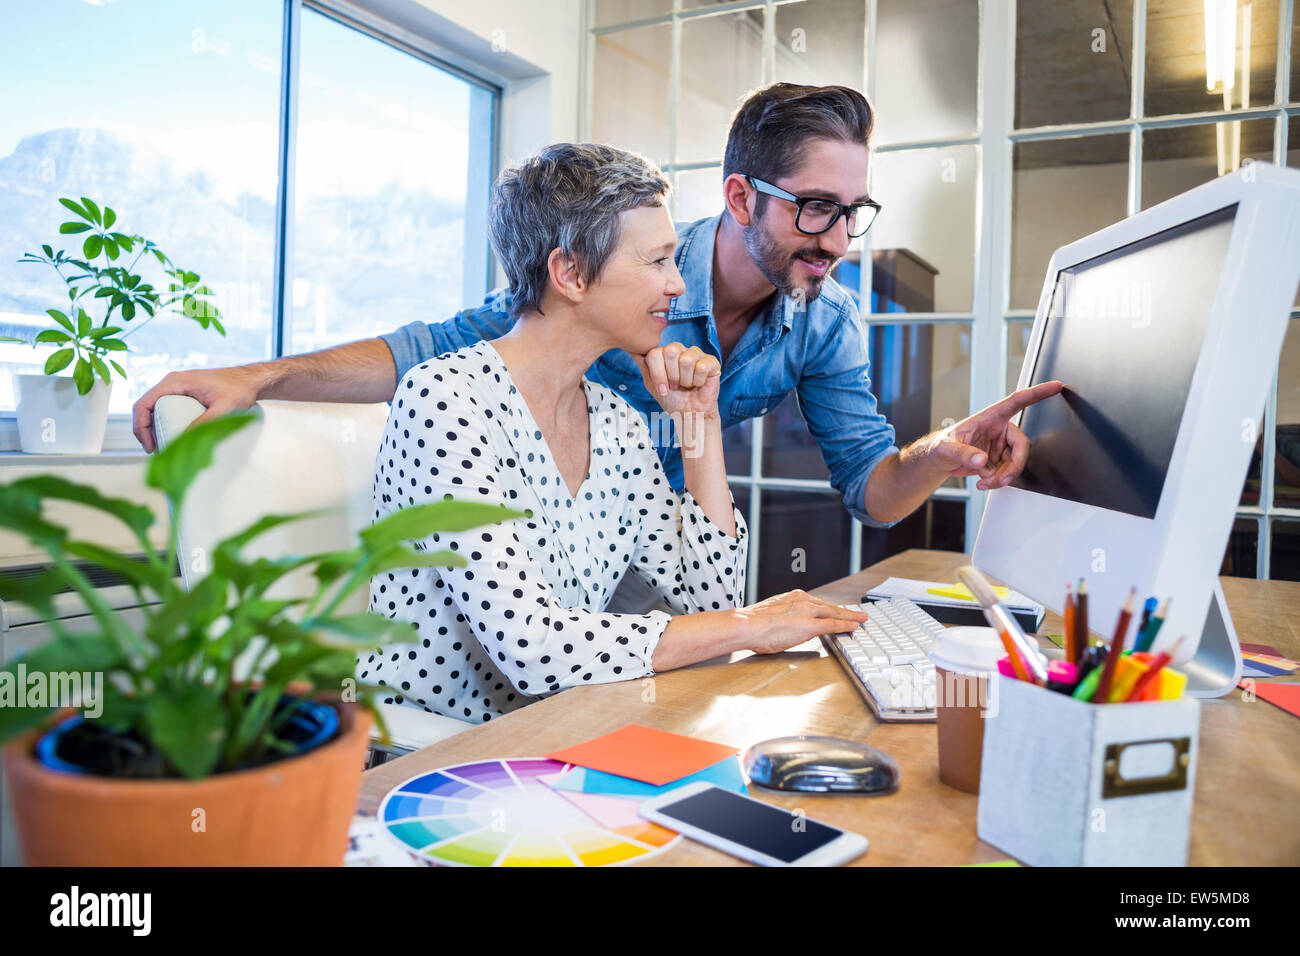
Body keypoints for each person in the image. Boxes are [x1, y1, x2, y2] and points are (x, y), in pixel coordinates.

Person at [133, 82, 1060, 536]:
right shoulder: (612, 275)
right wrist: (258, 375)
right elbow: (425, 350)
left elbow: (871, 491)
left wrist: (941, 453)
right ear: (741, 199)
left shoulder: (824, 324)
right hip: (558, 575)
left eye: (852, 212)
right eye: (814, 209)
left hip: (668, 555)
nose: (838, 241)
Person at [360, 143, 870, 722]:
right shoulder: (446, 399)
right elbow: (531, 647)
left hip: (559, 737)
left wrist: (698, 420)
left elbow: (711, 601)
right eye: (656, 262)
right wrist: (752, 626)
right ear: (571, 272)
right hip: (429, 752)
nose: (678, 286)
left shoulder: (617, 420)